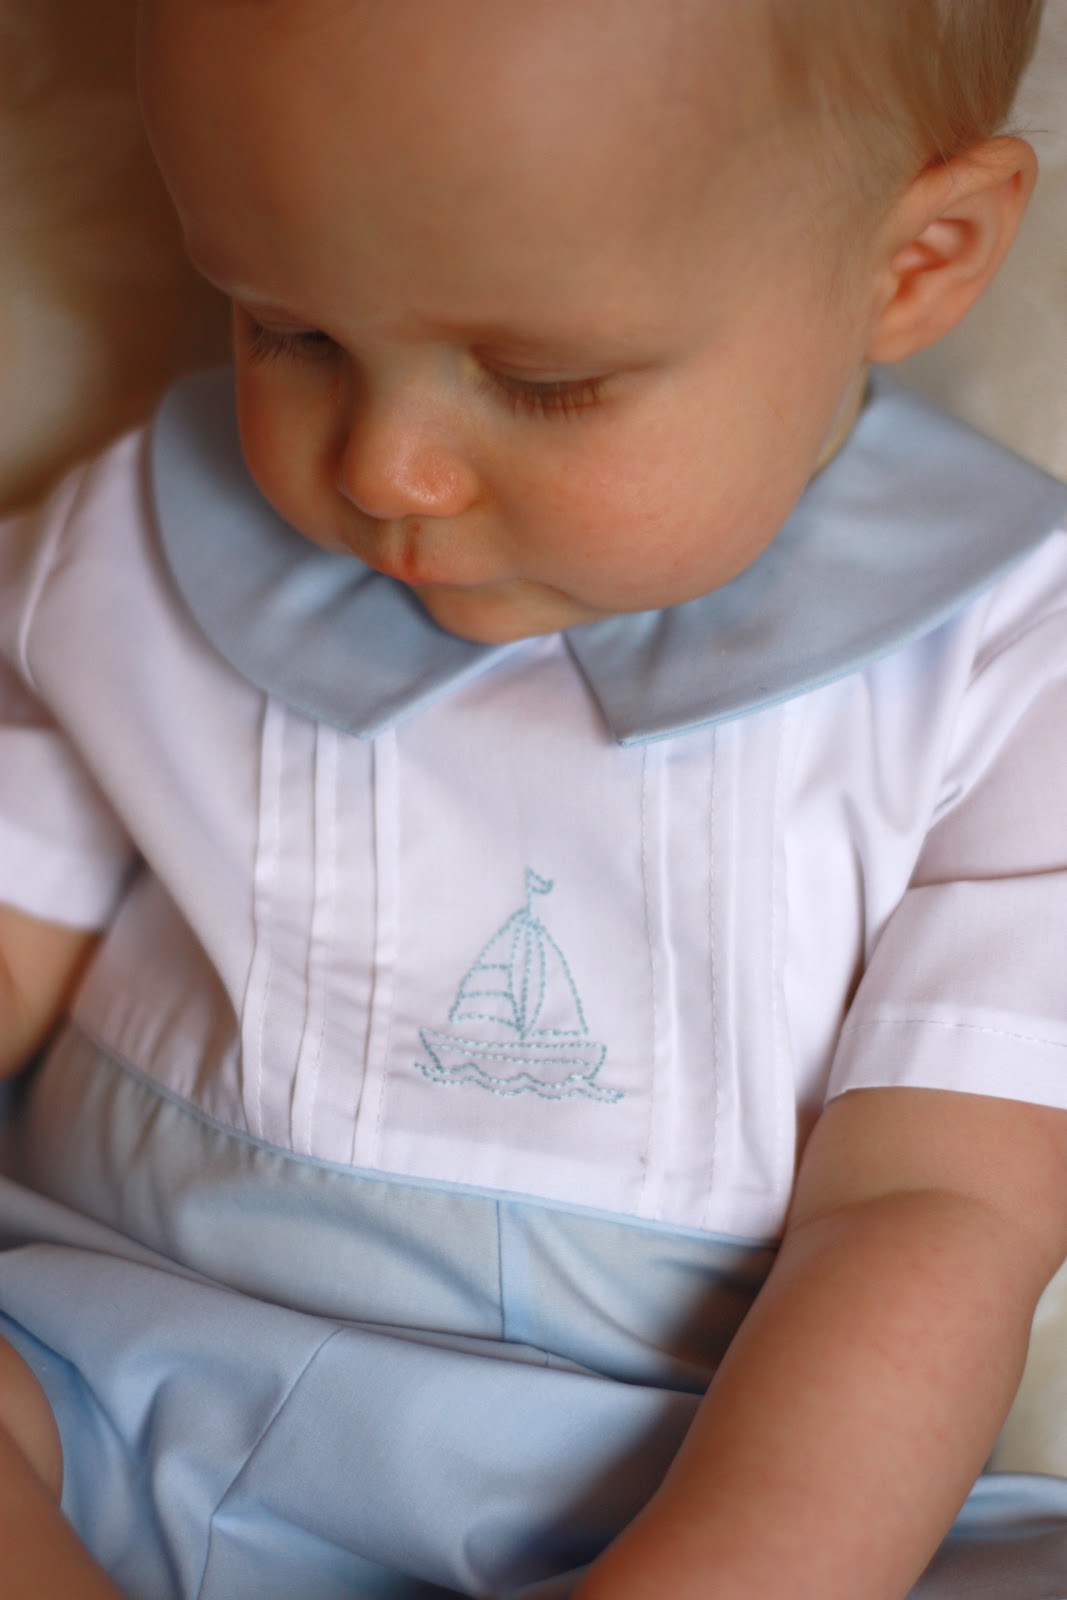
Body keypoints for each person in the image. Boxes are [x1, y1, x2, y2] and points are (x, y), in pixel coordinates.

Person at [1, 1, 1066, 1595]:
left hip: (683, 1489)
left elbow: (937, 1213)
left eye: (544, 378)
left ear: (915, 263)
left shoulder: (1007, 656)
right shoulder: (138, 550)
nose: (386, 469)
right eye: (287, 331)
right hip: (90, 1387)